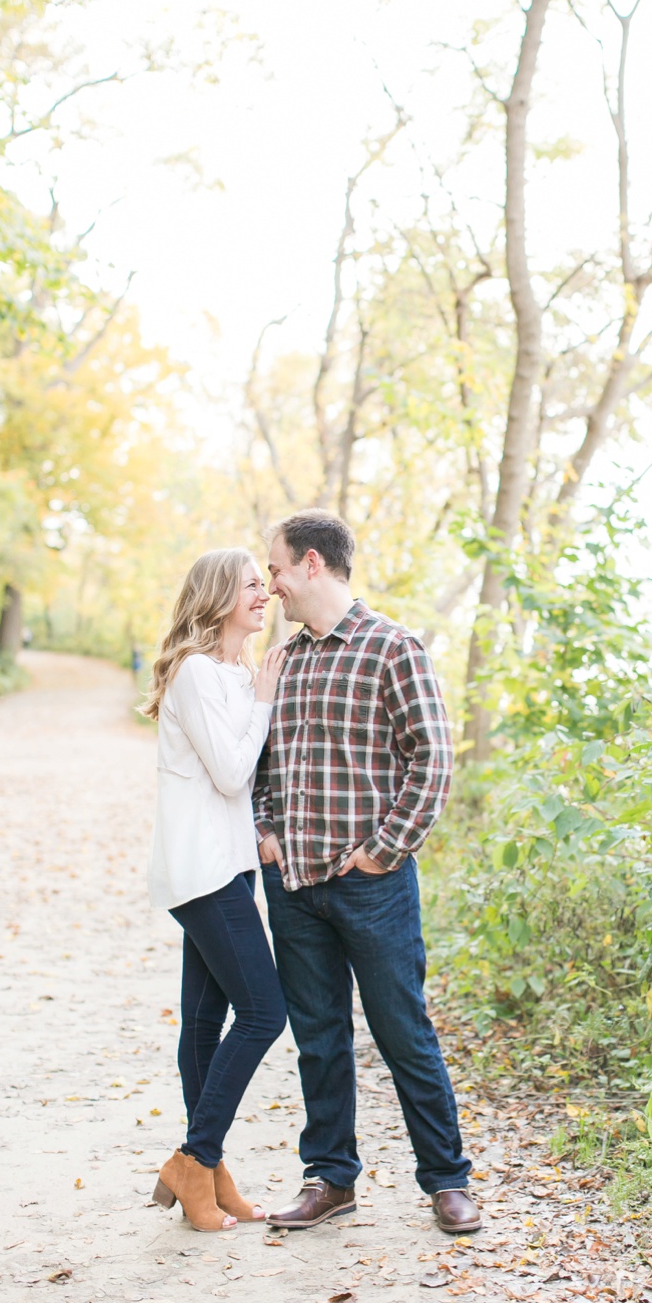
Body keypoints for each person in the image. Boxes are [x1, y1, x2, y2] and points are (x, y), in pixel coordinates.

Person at [250, 509, 481, 1234]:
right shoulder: (283, 658)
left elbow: (433, 760)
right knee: (318, 1036)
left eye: (278, 567)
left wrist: (384, 849)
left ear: (313, 563)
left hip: (371, 884)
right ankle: (330, 1177)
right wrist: (264, 826)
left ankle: (447, 1179)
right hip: (293, 886)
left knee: (402, 1030)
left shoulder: (393, 648)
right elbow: (258, 754)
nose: (272, 582)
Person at [142, 549, 290, 1231]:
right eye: (253, 585)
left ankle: (211, 1171)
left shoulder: (229, 672)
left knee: (204, 1021)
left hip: (223, 865)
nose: (265, 592)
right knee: (264, 1011)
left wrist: (256, 694)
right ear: (218, 596)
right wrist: (263, 700)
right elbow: (232, 773)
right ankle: (194, 1158)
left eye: (266, 582)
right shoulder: (197, 672)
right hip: (202, 869)